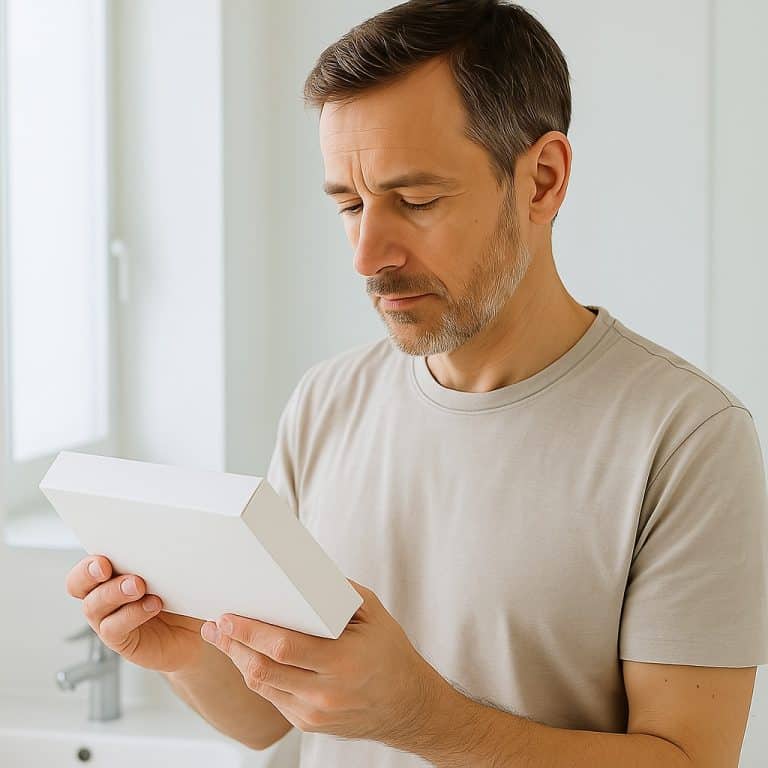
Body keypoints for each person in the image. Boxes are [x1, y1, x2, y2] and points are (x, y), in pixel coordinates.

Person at [65, 1, 768, 766]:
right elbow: (272, 720)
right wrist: (186, 653)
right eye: (348, 204)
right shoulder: (325, 403)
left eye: (417, 201)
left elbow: (692, 759)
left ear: (542, 180)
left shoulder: (687, 438)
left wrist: (420, 718)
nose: (368, 253)